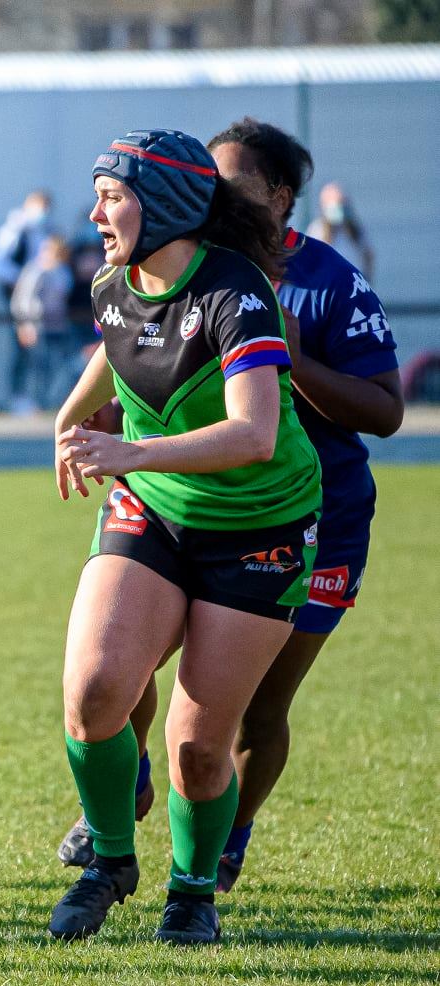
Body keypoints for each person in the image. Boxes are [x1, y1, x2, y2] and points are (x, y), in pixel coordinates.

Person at [55, 120, 404, 890]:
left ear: (278, 197)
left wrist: (289, 356)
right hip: (173, 495)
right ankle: (123, 788)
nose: (216, 197)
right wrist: (76, 418)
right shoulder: (147, 271)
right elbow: (120, 345)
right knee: (112, 670)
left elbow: (381, 412)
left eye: (233, 185)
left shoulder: (322, 284)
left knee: (246, 713)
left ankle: (221, 841)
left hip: (305, 515)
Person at [0, 189, 55, 410]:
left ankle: (42, 397)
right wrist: (20, 280)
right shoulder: (14, 231)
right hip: (20, 298)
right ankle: (19, 397)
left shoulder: (43, 232)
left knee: (43, 347)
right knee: (22, 344)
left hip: (41, 297)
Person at [10, 233, 77, 413]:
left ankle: (52, 401)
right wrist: (24, 325)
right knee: (38, 366)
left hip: (58, 326)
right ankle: (33, 403)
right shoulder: (35, 271)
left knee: (60, 366)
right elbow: (22, 300)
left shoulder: (62, 272)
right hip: (38, 327)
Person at [307, 182, 375, 283]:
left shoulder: (356, 229)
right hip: (330, 285)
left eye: (343, 205)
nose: (341, 210)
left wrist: (367, 280)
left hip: (354, 284)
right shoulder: (317, 230)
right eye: (336, 206)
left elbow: (368, 255)